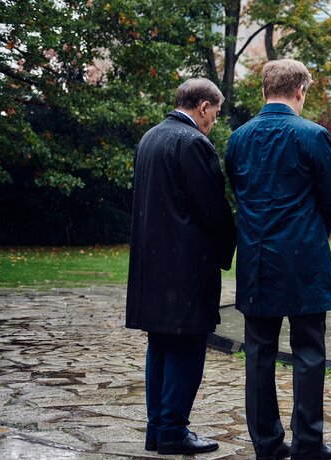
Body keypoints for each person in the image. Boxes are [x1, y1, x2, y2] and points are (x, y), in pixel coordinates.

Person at [226, 59, 331, 460]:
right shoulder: (313, 135)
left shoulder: (238, 138)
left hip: (257, 260)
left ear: (264, 91)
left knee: (259, 352)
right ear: (300, 92)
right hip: (304, 260)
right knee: (309, 352)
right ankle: (309, 445)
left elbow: (240, 190)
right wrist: (311, 234)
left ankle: (267, 445)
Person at [126, 78, 236, 456]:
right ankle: (173, 428)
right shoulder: (192, 143)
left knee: (159, 346)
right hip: (186, 268)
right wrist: (227, 250)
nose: (214, 122)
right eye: (215, 114)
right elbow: (212, 208)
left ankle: (157, 428)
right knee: (187, 349)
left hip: (152, 266)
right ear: (203, 106)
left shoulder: (150, 138)